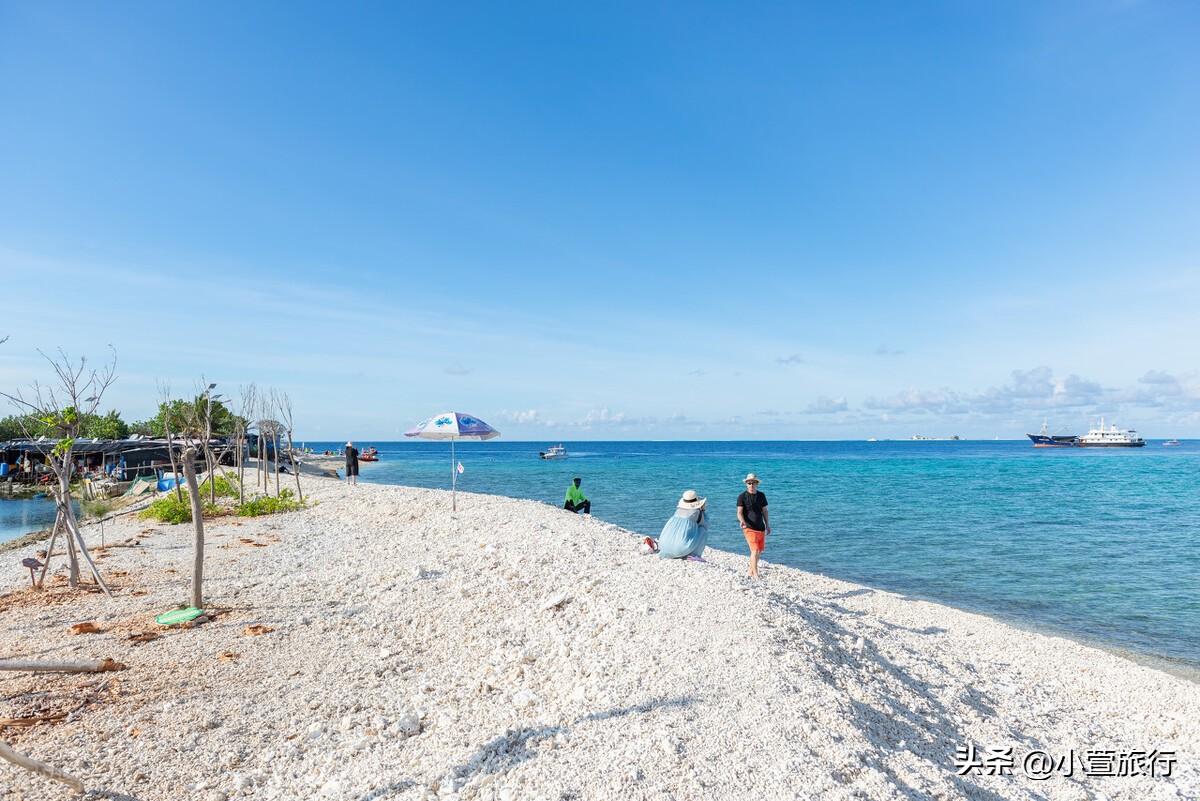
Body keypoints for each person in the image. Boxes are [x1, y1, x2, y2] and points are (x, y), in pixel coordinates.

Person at [657, 490, 709, 560]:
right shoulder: (697, 512)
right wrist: (703, 511)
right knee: (703, 530)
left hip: (663, 547)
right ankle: (694, 555)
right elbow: (705, 524)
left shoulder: (677, 511)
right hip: (680, 549)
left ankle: (682, 553)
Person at [736, 473, 769, 578]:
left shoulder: (761, 495)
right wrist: (742, 521)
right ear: (746, 484)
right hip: (749, 527)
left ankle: (750, 571)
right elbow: (739, 512)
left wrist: (767, 525)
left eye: (753, 483)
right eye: (749, 483)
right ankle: (756, 575)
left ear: (757, 484)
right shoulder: (742, 496)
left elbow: (765, 511)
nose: (751, 485)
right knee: (754, 551)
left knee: (759, 551)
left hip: (761, 528)